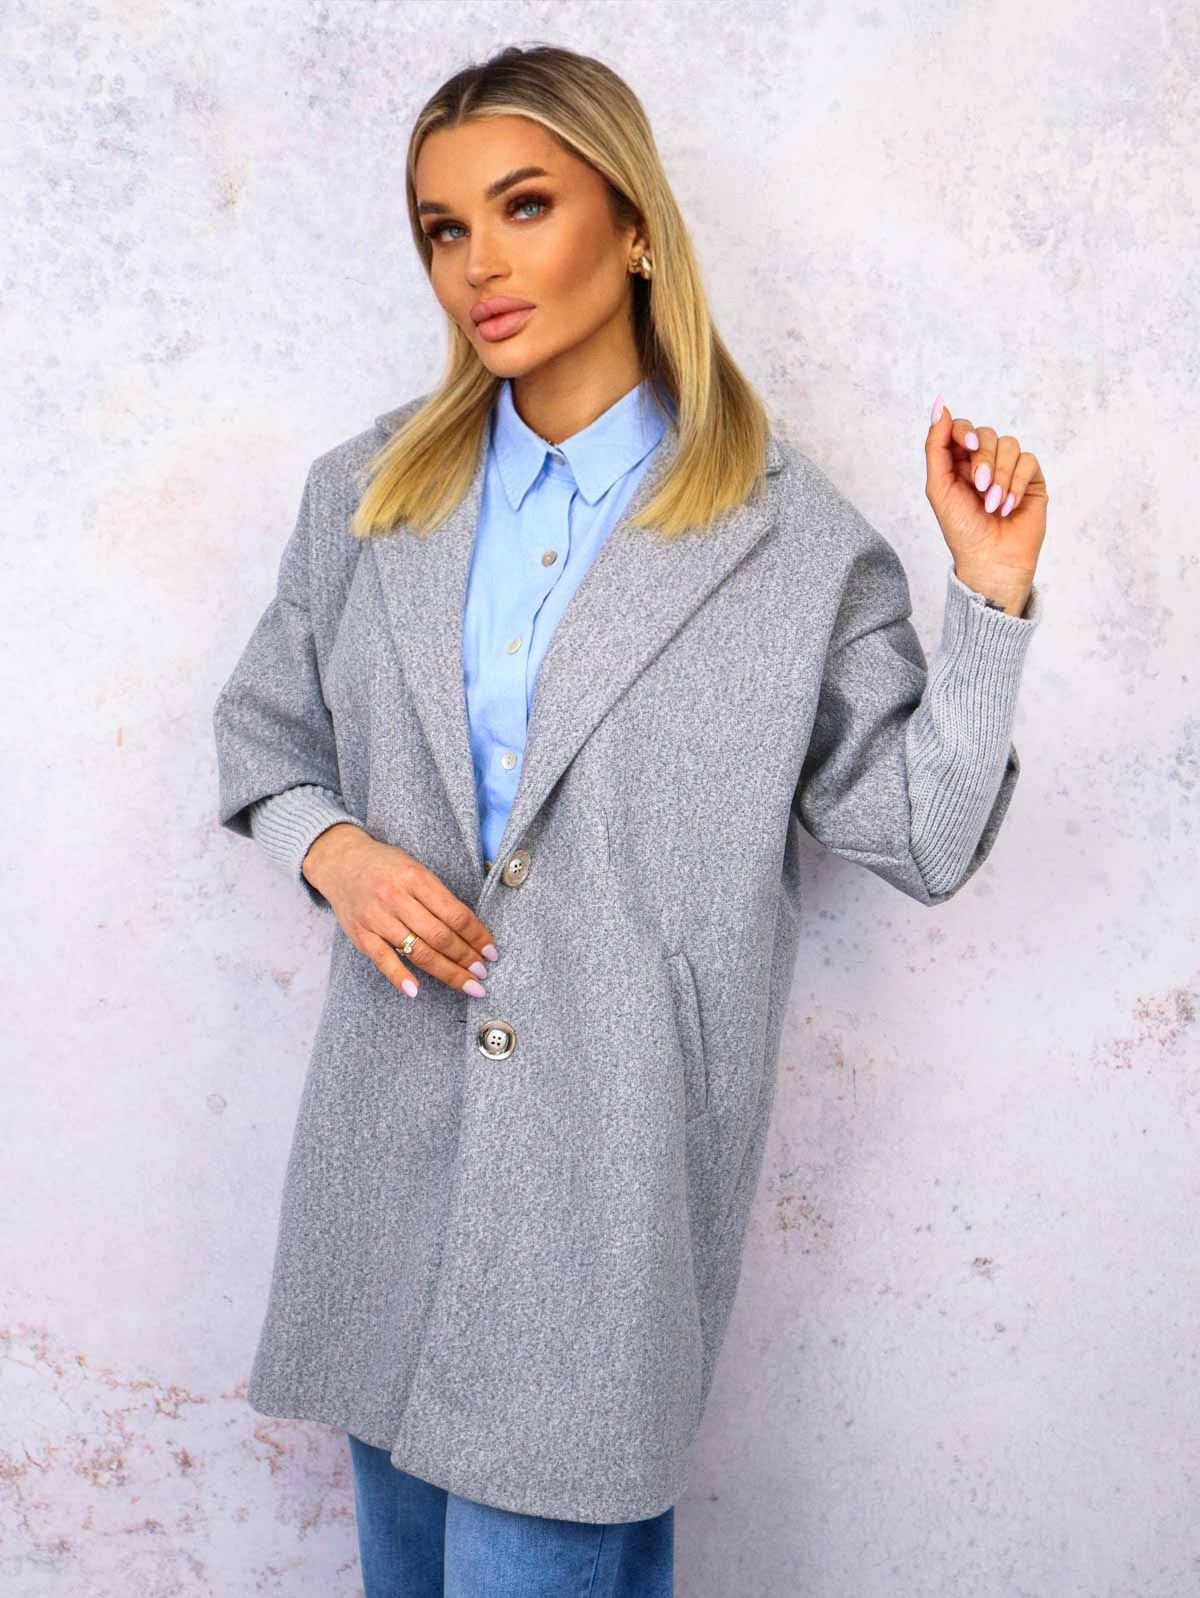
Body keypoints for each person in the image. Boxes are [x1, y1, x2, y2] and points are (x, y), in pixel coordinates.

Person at [212, 42, 1047, 1598]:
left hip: (605, 1198)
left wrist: (988, 601)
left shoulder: (792, 544)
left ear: (638, 224)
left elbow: (923, 838)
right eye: (445, 227)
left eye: (524, 205)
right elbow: (264, 740)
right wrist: (338, 850)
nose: (479, 262)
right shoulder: (366, 495)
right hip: (392, 1174)